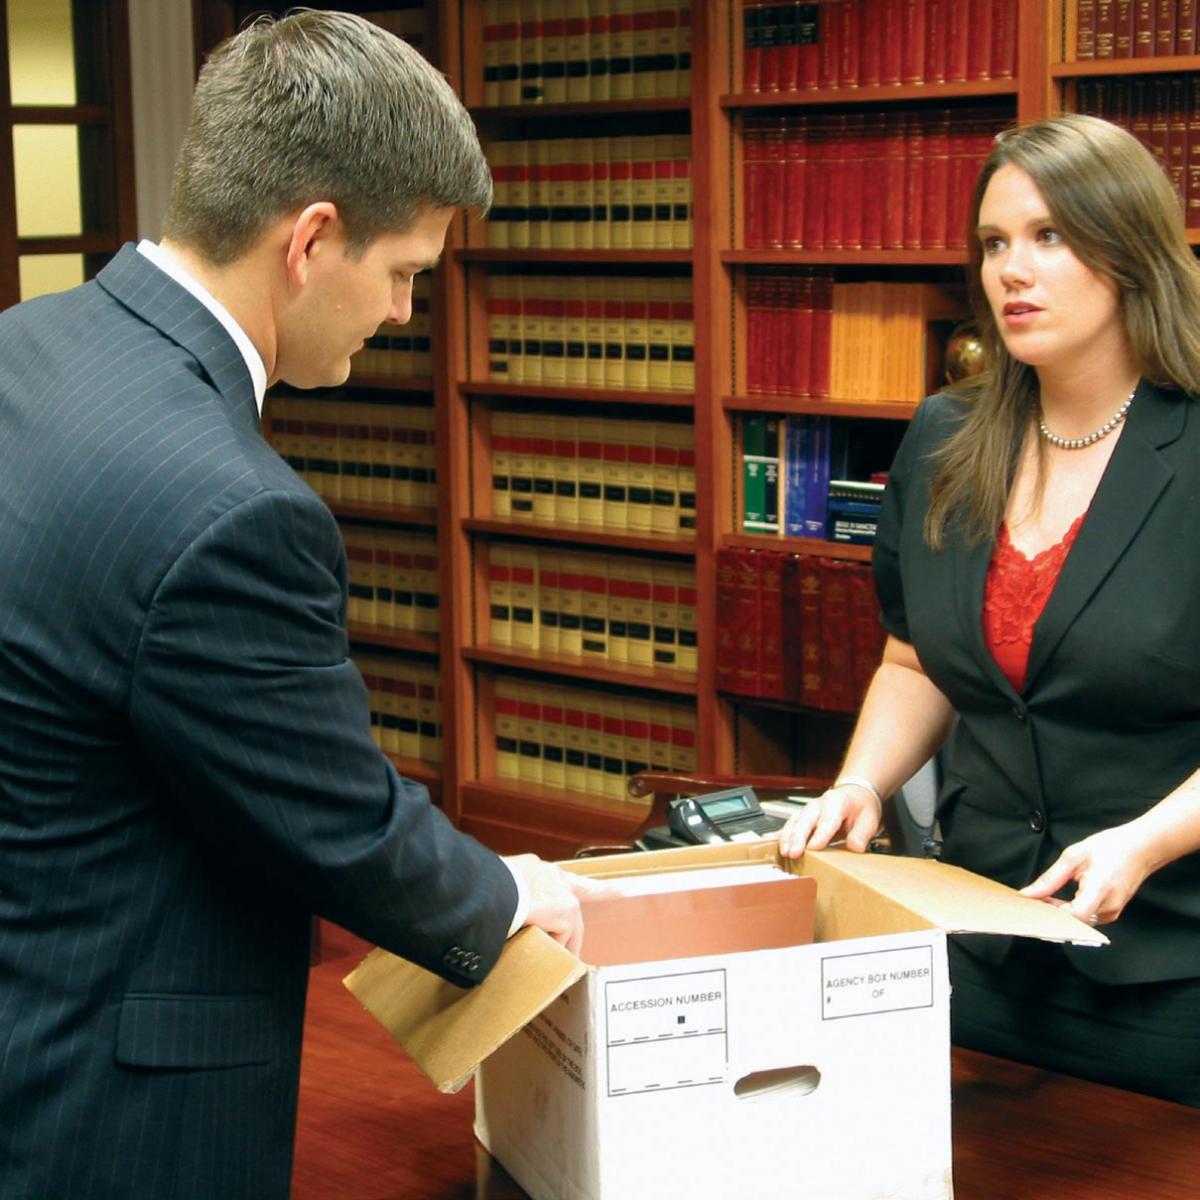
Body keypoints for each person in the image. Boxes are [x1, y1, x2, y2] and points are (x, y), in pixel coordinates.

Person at [0, 12, 598, 1199]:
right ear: (312, 239)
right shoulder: (233, 509)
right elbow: (335, 821)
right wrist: (513, 890)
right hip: (112, 1109)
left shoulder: (29, 344)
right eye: (404, 274)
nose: (402, 316)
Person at [780, 113, 1200, 1106]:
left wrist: (1149, 840)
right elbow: (915, 660)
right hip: (979, 944)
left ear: (1130, 249)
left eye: (1051, 236)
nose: (1013, 270)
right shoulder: (944, 436)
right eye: (995, 243)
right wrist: (863, 785)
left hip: (1173, 965)